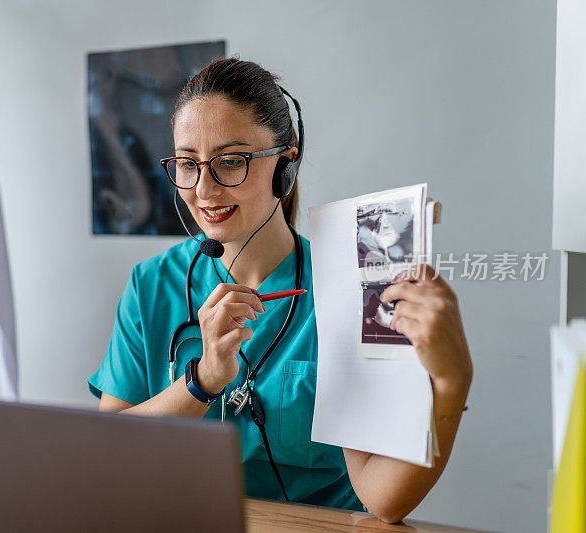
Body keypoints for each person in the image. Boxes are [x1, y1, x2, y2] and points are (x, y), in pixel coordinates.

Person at [87, 57, 473, 523]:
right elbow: (106, 454)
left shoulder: (352, 284)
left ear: (285, 166)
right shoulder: (150, 286)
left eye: (231, 162)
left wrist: (452, 382)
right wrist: (202, 380)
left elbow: (382, 498)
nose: (205, 189)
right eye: (188, 164)